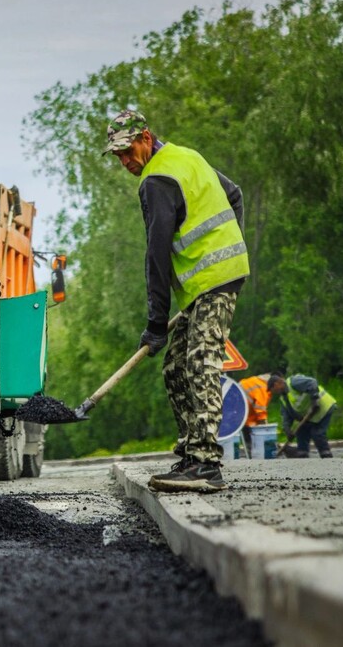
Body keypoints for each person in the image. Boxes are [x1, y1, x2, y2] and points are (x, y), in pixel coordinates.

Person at [104, 110, 249, 492]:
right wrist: (234, 249)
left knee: (200, 361)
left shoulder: (156, 180)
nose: (124, 161)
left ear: (146, 137)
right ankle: (189, 452)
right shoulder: (189, 156)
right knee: (174, 367)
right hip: (211, 279)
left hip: (213, 280)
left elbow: (156, 254)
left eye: (127, 150)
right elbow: (234, 194)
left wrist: (155, 323)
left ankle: (205, 464)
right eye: (117, 155)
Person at [274, 374, 337, 458]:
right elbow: (287, 415)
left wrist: (315, 399)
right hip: (310, 415)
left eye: (272, 389)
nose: (273, 392)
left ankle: (326, 456)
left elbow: (312, 382)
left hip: (323, 407)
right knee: (301, 432)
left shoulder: (293, 382)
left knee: (317, 433)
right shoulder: (283, 398)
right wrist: (287, 430)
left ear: (278, 384)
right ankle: (302, 456)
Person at [238, 373, 277, 452]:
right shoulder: (263, 387)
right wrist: (266, 430)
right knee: (252, 438)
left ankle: (251, 451)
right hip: (241, 413)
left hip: (242, 413)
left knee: (248, 435)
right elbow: (260, 410)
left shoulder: (258, 381)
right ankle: (253, 453)